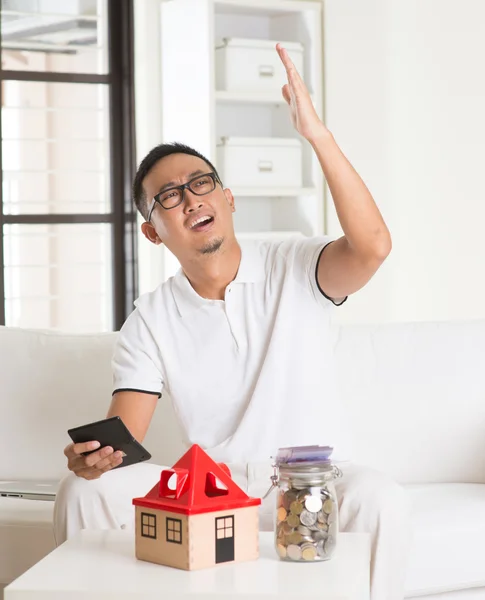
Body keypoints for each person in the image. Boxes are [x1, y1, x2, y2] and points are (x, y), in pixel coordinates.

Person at [54, 44, 410, 600]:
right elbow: (126, 438)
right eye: (168, 196)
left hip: (307, 483)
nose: (190, 198)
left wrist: (316, 134)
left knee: (380, 495)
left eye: (200, 182)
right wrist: (96, 461)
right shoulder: (150, 318)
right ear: (153, 232)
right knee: (82, 495)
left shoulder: (294, 264)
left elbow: (373, 247)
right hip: (211, 492)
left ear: (228, 197)